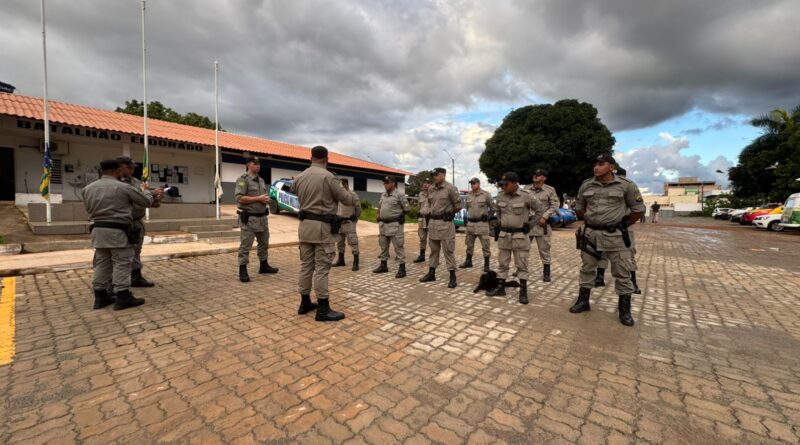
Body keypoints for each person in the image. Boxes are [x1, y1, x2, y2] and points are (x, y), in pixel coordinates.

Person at [570, 155, 645, 326]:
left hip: (615, 236)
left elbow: (638, 209)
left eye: (601, 164)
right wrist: (593, 221)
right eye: (594, 164)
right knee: (587, 268)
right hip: (590, 235)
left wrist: (622, 224)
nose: (596, 167)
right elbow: (580, 208)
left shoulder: (626, 185)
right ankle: (583, 301)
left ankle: (624, 310)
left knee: (622, 272)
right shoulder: (586, 185)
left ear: (611, 167)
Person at [294, 146, 356, 321]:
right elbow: (347, 199)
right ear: (326, 159)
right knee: (321, 269)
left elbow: (298, 196)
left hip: (305, 227)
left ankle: (304, 302)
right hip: (322, 229)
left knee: (306, 266)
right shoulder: (328, 177)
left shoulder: (300, 177)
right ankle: (322, 308)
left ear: (311, 157)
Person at [83, 159, 154, 310]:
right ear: (118, 171)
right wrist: (146, 190)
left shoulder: (88, 188)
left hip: (98, 229)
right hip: (118, 230)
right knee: (122, 262)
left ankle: (100, 296)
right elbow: (146, 201)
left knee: (102, 263)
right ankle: (123, 295)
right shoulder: (123, 187)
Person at [486, 172, 542, 304]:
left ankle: (523, 292)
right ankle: (500, 288)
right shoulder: (500, 196)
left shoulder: (526, 196)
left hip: (520, 236)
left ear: (515, 183)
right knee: (502, 263)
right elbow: (498, 212)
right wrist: (502, 224)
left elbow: (540, 210)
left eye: (506, 184)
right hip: (504, 236)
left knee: (522, 265)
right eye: (502, 184)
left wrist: (530, 224)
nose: (503, 187)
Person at [117, 157, 164, 288]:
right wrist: (150, 193)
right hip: (121, 222)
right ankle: (116, 285)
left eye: (133, 168)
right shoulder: (116, 183)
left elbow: (142, 199)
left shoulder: (135, 181)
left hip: (136, 222)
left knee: (136, 250)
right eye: (129, 168)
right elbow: (129, 201)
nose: (132, 170)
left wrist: (155, 199)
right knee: (119, 254)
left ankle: (136, 277)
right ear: (120, 167)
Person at [594, 167, 641, 293]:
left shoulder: (628, 188)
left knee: (628, 256)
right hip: (606, 229)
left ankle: (633, 283)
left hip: (624, 229)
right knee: (602, 252)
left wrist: (625, 224)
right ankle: (599, 277)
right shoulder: (606, 188)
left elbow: (637, 209)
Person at [235, 156, 278, 283]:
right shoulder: (243, 180)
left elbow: (262, 197)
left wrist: (267, 201)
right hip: (249, 219)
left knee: (264, 243)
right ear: (248, 165)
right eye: (255, 163)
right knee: (245, 246)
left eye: (259, 164)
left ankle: (263, 265)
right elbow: (240, 198)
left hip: (262, 218)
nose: (258, 166)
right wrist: (258, 198)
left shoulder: (262, 180)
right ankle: (243, 270)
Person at [420, 167, 462, 288]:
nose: (434, 177)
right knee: (433, 250)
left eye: (436, 175)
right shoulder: (432, 188)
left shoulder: (450, 188)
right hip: (433, 223)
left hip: (445, 224)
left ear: (443, 175)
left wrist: (449, 214)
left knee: (448, 251)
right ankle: (431, 273)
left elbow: (458, 205)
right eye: (433, 175)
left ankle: (452, 276)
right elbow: (429, 203)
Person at [524, 169, 559, 282]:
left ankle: (546, 273)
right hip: (528, 225)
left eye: (538, 175)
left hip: (541, 225)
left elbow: (554, 205)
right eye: (534, 174)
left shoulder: (550, 190)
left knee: (544, 250)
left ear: (544, 178)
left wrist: (545, 216)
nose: (535, 176)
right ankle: (522, 269)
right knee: (523, 249)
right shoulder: (526, 189)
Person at [373, 176, 410, 278]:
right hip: (383, 225)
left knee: (398, 247)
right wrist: (378, 214)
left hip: (395, 226)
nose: (385, 184)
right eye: (384, 183)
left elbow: (407, 209)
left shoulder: (400, 195)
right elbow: (380, 206)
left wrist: (400, 216)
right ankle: (383, 266)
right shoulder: (383, 195)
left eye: (387, 182)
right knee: (383, 246)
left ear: (393, 183)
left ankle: (402, 269)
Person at [459, 177, 495, 272]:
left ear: (478, 184)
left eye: (474, 183)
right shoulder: (469, 195)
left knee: (485, 245)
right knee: (469, 244)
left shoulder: (486, 195)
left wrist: (488, 217)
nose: (472, 185)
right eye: (471, 184)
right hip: (471, 224)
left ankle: (486, 264)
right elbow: (467, 208)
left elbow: (493, 208)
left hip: (482, 224)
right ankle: (468, 261)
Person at [332, 179, 362, 271]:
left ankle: (356, 262)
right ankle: (341, 260)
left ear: (346, 184)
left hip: (349, 222)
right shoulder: (338, 196)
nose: (340, 188)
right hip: (339, 222)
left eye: (342, 185)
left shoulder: (353, 195)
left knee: (353, 242)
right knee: (340, 242)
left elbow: (358, 208)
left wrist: (355, 219)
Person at [413, 178, 432, 263]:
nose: (425, 184)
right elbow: (419, 206)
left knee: (433, 239)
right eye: (424, 183)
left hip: (431, 219)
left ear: (431, 185)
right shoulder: (420, 194)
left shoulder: (433, 194)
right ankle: (422, 255)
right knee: (422, 238)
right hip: (422, 219)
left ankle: (434, 257)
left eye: (427, 183)